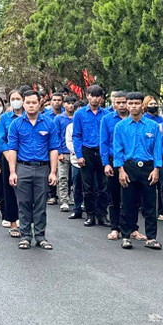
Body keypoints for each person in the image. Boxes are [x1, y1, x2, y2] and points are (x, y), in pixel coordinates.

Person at [7, 90, 59, 250]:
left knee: (40, 204)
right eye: (27, 102)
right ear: (23, 103)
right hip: (23, 168)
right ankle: (25, 236)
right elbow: (12, 149)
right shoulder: (16, 124)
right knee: (23, 203)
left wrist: (53, 172)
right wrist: (12, 172)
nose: (30, 105)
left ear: (39, 103)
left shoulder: (49, 123)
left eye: (34, 102)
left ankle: (40, 236)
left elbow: (54, 148)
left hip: (42, 169)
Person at [113, 92, 163, 250]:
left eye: (136, 103)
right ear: (127, 105)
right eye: (130, 103)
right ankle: (126, 236)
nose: (133, 106)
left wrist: (156, 169)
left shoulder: (153, 126)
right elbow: (117, 150)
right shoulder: (120, 126)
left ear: (143, 105)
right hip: (129, 167)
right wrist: (120, 170)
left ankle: (151, 237)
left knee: (149, 204)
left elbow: (157, 149)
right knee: (128, 203)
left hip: (148, 168)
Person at [72, 84, 110, 227]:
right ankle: (90, 215)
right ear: (87, 96)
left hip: (102, 151)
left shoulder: (106, 114)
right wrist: (79, 155)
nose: (95, 99)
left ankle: (102, 215)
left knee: (104, 185)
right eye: (92, 95)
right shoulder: (80, 114)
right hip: (86, 151)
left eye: (98, 96)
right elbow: (76, 135)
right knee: (88, 186)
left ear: (101, 98)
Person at [100, 91, 132, 241]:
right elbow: (104, 143)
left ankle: (131, 228)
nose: (121, 105)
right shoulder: (107, 120)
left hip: (132, 162)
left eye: (124, 102)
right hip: (113, 161)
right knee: (114, 197)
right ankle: (115, 228)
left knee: (131, 198)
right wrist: (106, 163)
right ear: (113, 103)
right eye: (118, 102)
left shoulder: (136, 119)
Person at [0, 89, 23, 236]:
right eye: (13, 98)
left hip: (26, 160)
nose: (16, 101)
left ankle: (26, 222)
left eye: (18, 98)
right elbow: (1, 140)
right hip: (8, 159)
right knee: (10, 191)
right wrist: (10, 157)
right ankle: (12, 222)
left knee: (27, 194)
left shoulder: (28, 116)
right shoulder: (5, 118)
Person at [54, 95, 77, 213]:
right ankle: (63, 200)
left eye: (72, 103)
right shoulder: (59, 118)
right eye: (68, 103)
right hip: (63, 151)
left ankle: (74, 198)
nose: (70, 105)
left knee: (75, 177)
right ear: (64, 105)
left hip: (75, 152)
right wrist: (59, 152)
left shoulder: (77, 117)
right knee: (63, 177)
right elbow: (56, 135)